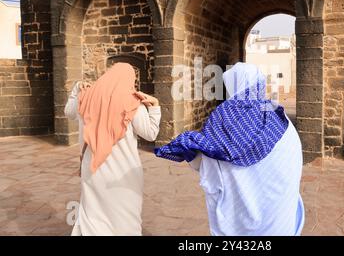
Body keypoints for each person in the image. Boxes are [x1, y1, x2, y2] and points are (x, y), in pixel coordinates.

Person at [155, 62, 304, 236]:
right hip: (281, 217)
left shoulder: (225, 121)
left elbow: (206, 164)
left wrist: (190, 148)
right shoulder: (279, 116)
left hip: (248, 224)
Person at [64, 62, 161, 236]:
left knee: (92, 213)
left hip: (91, 168)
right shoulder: (133, 103)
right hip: (123, 173)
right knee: (125, 215)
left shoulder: (85, 97)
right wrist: (155, 106)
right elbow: (151, 134)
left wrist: (76, 88)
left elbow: (68, 112)